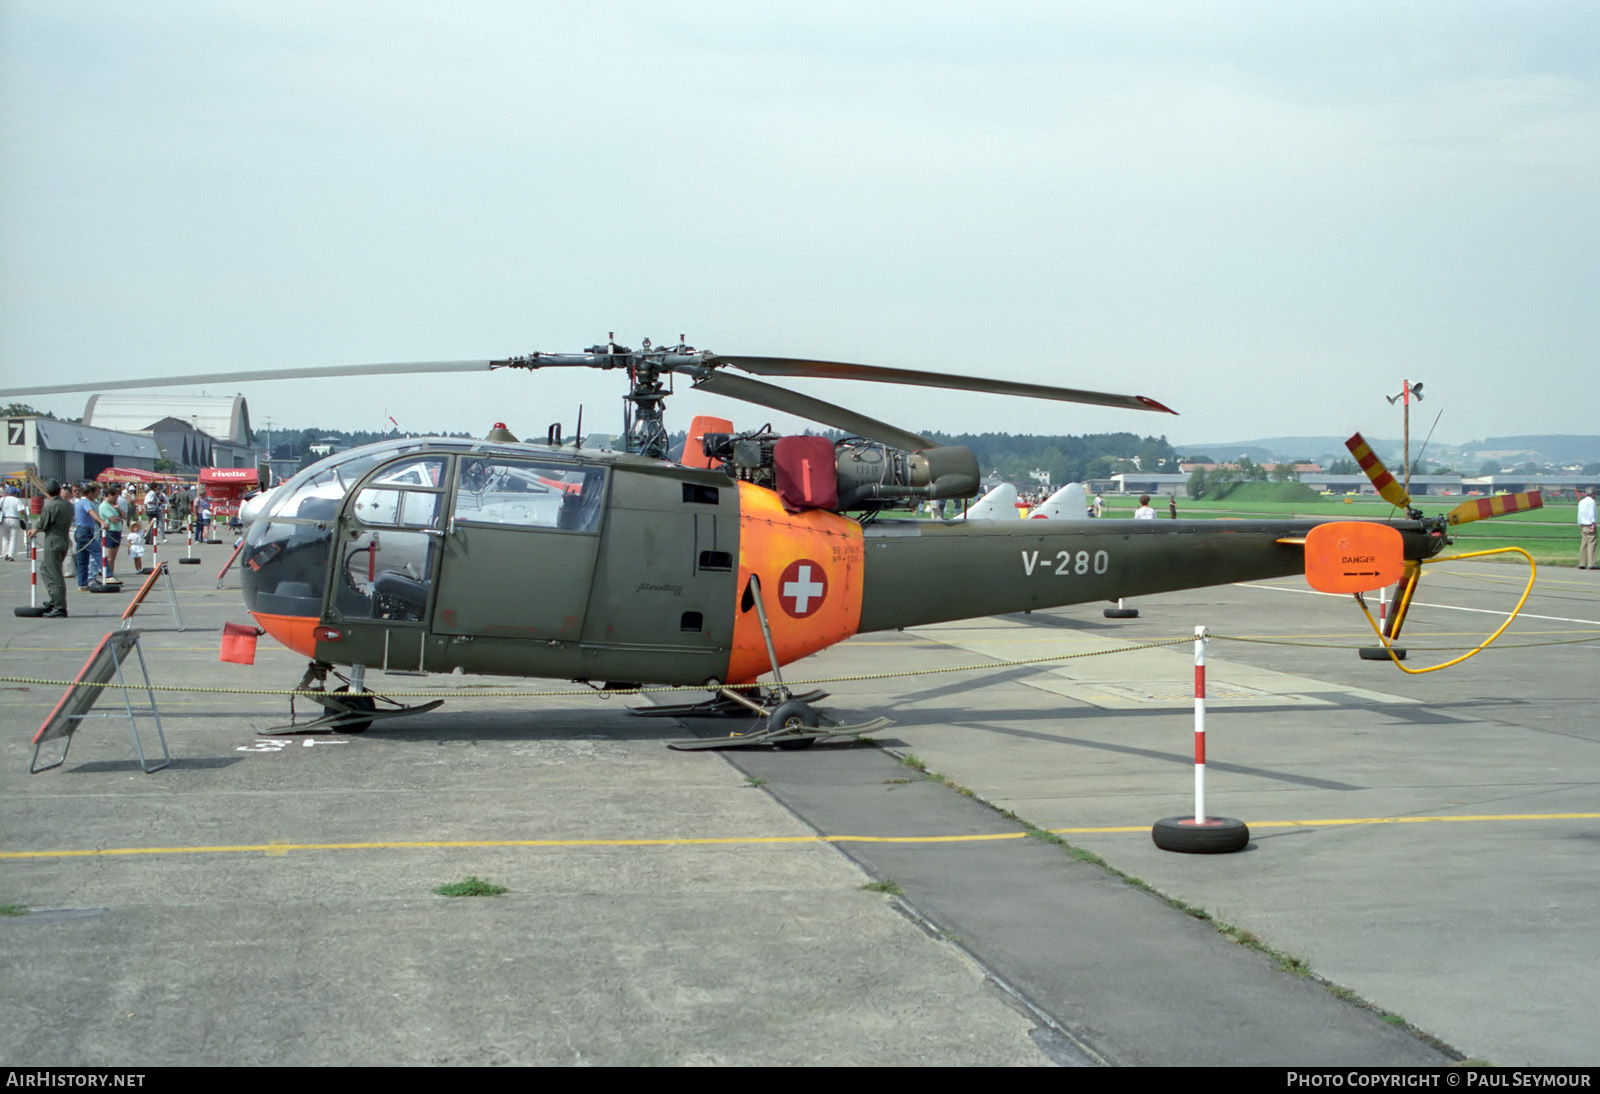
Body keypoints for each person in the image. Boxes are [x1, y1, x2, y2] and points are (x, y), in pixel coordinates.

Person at [28, 479, 72, 616]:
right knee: (46, 569)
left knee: (54, 574)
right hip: (64, 538)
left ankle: (59, 607)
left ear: (47, 491)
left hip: (53, 539)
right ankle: (55, 599)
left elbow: (42, 524)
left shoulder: (50, 506)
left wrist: (35, 529)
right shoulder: (68, 505)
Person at [73, 483, 106, 587]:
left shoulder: (82, 502)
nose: (97, 494)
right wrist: (102, 522)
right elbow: (91, 512)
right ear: (90, 493)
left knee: (82, 559)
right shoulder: (86, 502)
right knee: (98, 553)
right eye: (95, 492)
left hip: (82, 530)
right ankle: (108, 575)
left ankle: (82, 583)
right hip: (86, 531)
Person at [99, 484, 125, 581]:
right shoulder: (104, 506)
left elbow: (124, 516)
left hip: (117, 531)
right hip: (110, 532)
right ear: (109, 495)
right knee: (109, 557)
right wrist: (119, 518)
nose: (116, 499)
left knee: (113, 558)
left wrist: (118, 509)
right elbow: (113, 519)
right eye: (115, 497)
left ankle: (111, 574)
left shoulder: (113, 506)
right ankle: (107, 575)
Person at [1, 486, 25, 561]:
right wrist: (25, 514)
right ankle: (11, 554)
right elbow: (20, 510)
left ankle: (5, 553)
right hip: (14, 519)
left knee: (5, 537)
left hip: (4, 519)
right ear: (15, 493)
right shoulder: (17, 500)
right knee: (13, 538)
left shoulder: (2, 499)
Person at [1579, 488, 1597, 570]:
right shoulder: (1591, 502)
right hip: (1589, 524)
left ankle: (1582, 563)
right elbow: (1591, 513)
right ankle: (1591, 564)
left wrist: (1580, 525)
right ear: (1592, 494)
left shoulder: (1582, 501)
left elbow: (1580, 513)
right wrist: (1592, 523)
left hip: (1583, 524)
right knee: (1592, 544)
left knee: (1584, 544)